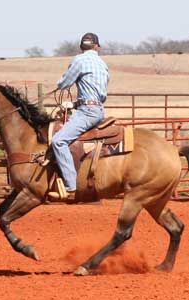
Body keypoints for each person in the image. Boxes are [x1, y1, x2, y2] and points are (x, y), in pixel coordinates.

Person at [48, 32, 109, 199]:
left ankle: (71, 186)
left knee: (59, 141)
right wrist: (74, 104)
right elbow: (100, 96)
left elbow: (63, 83)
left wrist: (61, 84)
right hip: (97, 109)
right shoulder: (103, 64)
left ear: (81, 47)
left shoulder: (79, 60)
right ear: (97, 46)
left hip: (87, 112)